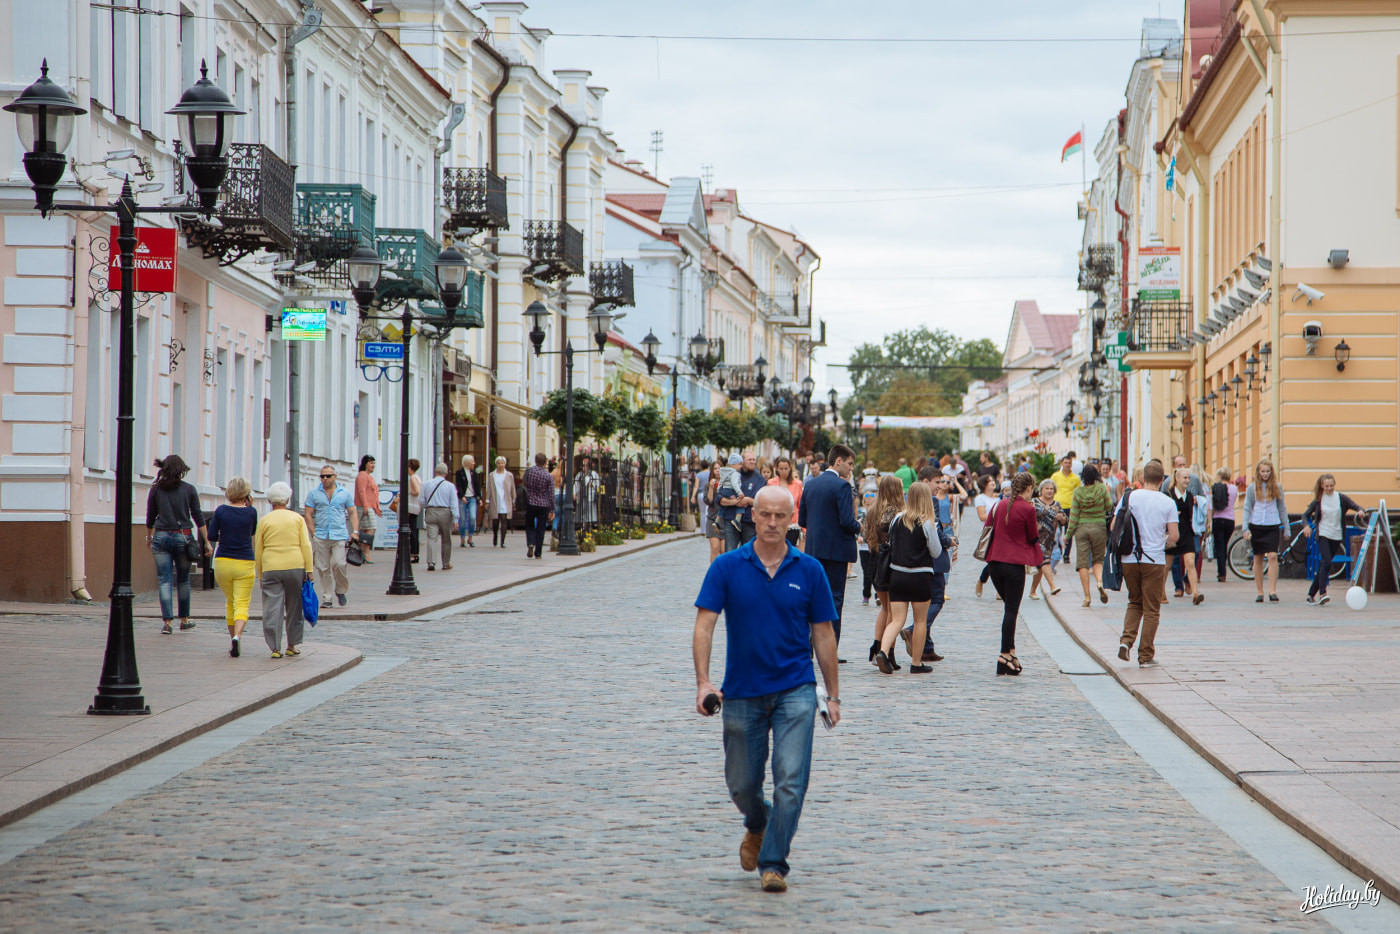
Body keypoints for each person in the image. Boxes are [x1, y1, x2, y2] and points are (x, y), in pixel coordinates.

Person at [692, 485, 840, 894]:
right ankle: (758, 822)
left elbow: (824, 635)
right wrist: (704, 682)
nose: (773, 523)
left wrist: (833, 694)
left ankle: (773, 862)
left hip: (796, 689)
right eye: (765, 515)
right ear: (752, 516)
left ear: (792, 519)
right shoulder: (726, 567)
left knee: (791, 781)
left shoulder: (809, 570)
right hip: (741, 692)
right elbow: (705, 624)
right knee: (742, 785)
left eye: (781, 516)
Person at [873, 481, 943, 674]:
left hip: (897, 575)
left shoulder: (897, 519)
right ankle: (916, 663)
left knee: (896, 620)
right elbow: (936, 552)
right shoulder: (928, 522)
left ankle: (883, 651)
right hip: (920, 577)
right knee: (920, 621)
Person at [1114, 461, 1179, 668]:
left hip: (1129, 559)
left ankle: (1126, 641)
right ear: (1162, 480)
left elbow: (1114, 526)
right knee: (1152, 609)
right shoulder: (1167, 502)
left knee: (1134, 602)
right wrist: (1162, 539)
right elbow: (1175, 537)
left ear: (1143, 478)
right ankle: (1145, 655)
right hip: (1154, 560)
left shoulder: (1129, 496)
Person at [799, 445, 861, 653]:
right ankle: (829, 649)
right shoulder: (841, 486)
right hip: (836, 552)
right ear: (838, 461)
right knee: (834, 599)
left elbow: (803, 519)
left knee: (813, 598)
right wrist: (859, 526)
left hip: (814, 550)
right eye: (850, 464)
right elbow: (846, 521)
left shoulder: (810, 485)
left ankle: (807, 645)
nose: (851, 469)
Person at [980, 472, 1040, 675]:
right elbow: (1033, 537)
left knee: (1009, 608)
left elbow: (988, 527)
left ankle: (1011, 654)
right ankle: (1004, 655)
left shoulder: (998, 505)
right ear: (1029, 488)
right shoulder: (1027, 508)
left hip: (994, 563)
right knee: (1011, 610)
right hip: (1014, 565)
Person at [145, 454, 210, 635]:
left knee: (164, 581)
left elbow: (150, 516)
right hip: (183, 537)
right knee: (183, 580)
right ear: (181, 470)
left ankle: (167, 622)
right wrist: (207, 542)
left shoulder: (156, 490)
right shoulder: (189, 490)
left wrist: (149, 537)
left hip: (161, 536)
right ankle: (185, 619)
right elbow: (198, 516)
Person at [254, 481, 315, 659]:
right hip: (295, 565)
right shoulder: (297, 518)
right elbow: (305, 544)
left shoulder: (264, 520)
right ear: (288, 499)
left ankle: (274, 647)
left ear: (270, 501)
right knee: (295, 606)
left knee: (272, 607)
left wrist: (260, 574)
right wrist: (309, 569)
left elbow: (259, 549)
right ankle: (292, 645)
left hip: (271, 567)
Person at [900, 467, 953, 664]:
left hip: (914, 561)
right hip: (932, 560)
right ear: (924, 481)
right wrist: (948, 541)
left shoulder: (908, 501)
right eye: (937, 482)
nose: (940, 486)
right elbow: (934, 527)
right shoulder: (931, 501)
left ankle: (927, 648)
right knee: (936, 600)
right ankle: (913, 630)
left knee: (925, 602)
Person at [208, 476, 257, 657]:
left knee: (230, 601)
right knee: (242, 602)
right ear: (247, 494)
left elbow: (212, 535)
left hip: (223, 561)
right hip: (244, 561)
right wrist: (249, 507)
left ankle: (232, 641)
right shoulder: (251, 513)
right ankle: (237, 636)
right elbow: (252, 532)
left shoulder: (221, 511)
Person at [863, 475, 905, 667]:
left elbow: (866, 535)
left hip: (874, 559)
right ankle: (888, 652)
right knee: (893, 611)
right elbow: (889, 531)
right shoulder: (894, 511)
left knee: (884, 608)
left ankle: (876, 645)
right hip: (889, 561)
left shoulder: (872, 510)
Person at [1302, 474, 1363, 606]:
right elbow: (1305, 515)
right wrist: (1306, 526)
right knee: (1327, 562)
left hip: (1336, 535)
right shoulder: (1319, 500)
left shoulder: (1341, 498)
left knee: (1325, 564)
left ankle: (1310, 594)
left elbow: (1356, 506)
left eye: (1331, 486)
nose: (1329, 488)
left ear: (1334, 485)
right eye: (1326, 486)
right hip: (1323, 533)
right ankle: (1323, 594)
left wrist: (1360, 511)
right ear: (1322, 486)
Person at [304, 464, 359, 608]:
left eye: (328, 476)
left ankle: (340, 590)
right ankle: (327, 598)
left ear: (335, 477)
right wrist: (313, 533)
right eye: (322, 476)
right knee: (323, 568)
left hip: (339, 534)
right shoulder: (314, 493)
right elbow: (308, 514)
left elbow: (352, 512)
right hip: (321, 536)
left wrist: (355, 531)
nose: (325, 479)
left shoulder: (344, 493)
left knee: (339, 564)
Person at [1243, 458, 1289, 603]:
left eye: (1268, 471)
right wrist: (1245, 527)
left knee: (1273, 556)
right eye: (1262, 471)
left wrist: (1286, 528)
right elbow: (1247, 508)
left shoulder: (1277, 486)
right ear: (1258, 472)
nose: (1265, 474)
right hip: (1256, 525)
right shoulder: (1252, 488)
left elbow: (1282, 507)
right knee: (1258, 558)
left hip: (1272, 525)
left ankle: (1273, 590)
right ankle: (1259, 591)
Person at [1067, 463, 1112, 607]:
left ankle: (1087, 597)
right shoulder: (1101, 488)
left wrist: (1068, 535)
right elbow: (1109, 506)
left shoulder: (1078, 492)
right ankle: (1099, 581)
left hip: (1082, 528)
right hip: (1099, 527)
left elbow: (1073, 515)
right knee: (1098, 560)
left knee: (1082, 563)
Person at [1165, 467, 1204, 605]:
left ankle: (1195, 593)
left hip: (1187, 533)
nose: (1187, 480)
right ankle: (1160, 593)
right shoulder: (1168, 495)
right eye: (1185, 478)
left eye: (1188, 478)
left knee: (1190, 563)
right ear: (1177, 478)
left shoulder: (1190, 496)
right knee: (1167, 565)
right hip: (1172, 533)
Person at [1028, 479, 1066, 600]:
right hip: (1035, 538)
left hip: (1049, 539)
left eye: (1051, 489)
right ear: (1041, 490)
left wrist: (1062, 518)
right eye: (1047, 489)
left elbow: (1065, 520)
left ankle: (1033, 591)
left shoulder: (1056, 505)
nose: (1049, 491)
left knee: (1040, 566)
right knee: (1044, 561)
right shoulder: (1034, 502)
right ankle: (1052, 586)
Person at [419, 462, 457, 571]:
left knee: (431, 538)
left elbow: (421, 501)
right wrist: (456, 518)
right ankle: (446, 563)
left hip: (431, 511)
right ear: (446, 473)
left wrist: (429, 507)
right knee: (446, 539)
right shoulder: (450, 486)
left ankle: (431, 562)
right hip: (445, 512)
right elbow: (453, 504)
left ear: (435, 471)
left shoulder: (426, 484)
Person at [522, 453, 555, 559]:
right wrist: (552, 509)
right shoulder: (548, 476)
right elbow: (551, 493)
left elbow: (524, 485)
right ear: (545, 462)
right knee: (541, 528)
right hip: (543, 504)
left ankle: (531, 543)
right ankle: (538, 552)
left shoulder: (529, 472)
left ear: (535, 461)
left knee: (530, 525)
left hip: (531, 502)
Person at [972, 474, 999, 598]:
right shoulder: (980, 498)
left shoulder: (999, 498)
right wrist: (998, 514)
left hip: (1002, 530)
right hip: (989, 531)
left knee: (1002, 560)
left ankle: (1000, 590)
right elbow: (982, 516)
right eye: (990, 481)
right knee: (992, 561)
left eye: (993, 480)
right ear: (984, 484)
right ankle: (981, 581)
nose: (993, 482)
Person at [1209, 467, 1237, 582]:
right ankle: (1223, 569)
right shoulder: (1234, 488)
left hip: (1218, 519)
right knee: (1224, 545)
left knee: (1219, 547)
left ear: (1219, 476)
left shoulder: (1216, 488)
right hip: (1230, 520)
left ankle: (1222, 573)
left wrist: (1209, 521)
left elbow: (1212, 505)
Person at [769, 456, 804, 545]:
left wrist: (803, 527)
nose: (784, 471)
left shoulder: (797, 484)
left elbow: (801, 505)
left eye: (786, 469)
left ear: (790, 469)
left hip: (792, 523)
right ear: (777, 469)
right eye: (781, 469)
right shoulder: (771, 483)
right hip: (776, 521)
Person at [354, 455, 381, 563]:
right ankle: (365, 552)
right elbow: (362, 491)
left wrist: (376, 507)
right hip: (365, 507)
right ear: (365, 464)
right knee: (371, 529)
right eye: (371, 463)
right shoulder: (362, 476)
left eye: (374, 463)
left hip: (370, 506)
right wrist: (365, 506)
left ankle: (362, 552)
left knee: (366, 530)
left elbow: (373, 493)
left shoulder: (369, 476)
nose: (373, 465)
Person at [486, 456, 516, 547]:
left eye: (502, 463)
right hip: (496, 499)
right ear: (496, 464)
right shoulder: (492, 475)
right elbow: (489, 488)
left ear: (505, 464)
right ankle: (495, 535)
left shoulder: (509, 475)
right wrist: (487, 500)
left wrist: (514, 499)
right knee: (495, 520)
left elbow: (512, 488)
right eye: (499, 463)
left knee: (504, 519)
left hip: (505, 499)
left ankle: (502, 541)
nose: (500, 465)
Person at [454, 454, 480, 548]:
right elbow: (459, 485)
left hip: (472, 497)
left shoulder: (474, 473)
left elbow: (477, 486)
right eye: (472, 461)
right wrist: (462, 496)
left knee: (473, 517)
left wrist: (479, 498)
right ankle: (462, 539)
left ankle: (470, 537)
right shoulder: (459, 473)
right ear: (467, 462)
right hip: (463, 498)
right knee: (463, 519)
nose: (474, 463)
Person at [702, 460, 725, 563]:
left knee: (724, 550)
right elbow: (708, 501)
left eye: (719, 468)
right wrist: (711, 487)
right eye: (715, 469)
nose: (717, 471)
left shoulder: (727, 484)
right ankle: (714, 574)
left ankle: (724, 574)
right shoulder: (708, 485)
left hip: (724, 520)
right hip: (712, 519)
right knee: (715, 548)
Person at [574, 456, 600, 534]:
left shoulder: (593, 474)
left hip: (589, 496)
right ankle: (583, 527)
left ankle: (588, 527)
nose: (583, 467)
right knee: (581, 512)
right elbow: (576, 484)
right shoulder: (580, 474)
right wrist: (574, 493)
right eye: (582, 465)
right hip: (581, 496)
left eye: (584, 465)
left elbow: (597, 484)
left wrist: (593, 486)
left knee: (589, 513)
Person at [404, 458, 423, 563]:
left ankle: (413, 554)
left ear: (410, 468)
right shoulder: (417, 477)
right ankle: (415, 553)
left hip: (411, 506)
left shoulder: (412, 478)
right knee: (414, 530)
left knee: (412, 531)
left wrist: (408, 492)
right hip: (416, 506)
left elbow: (416, 491)